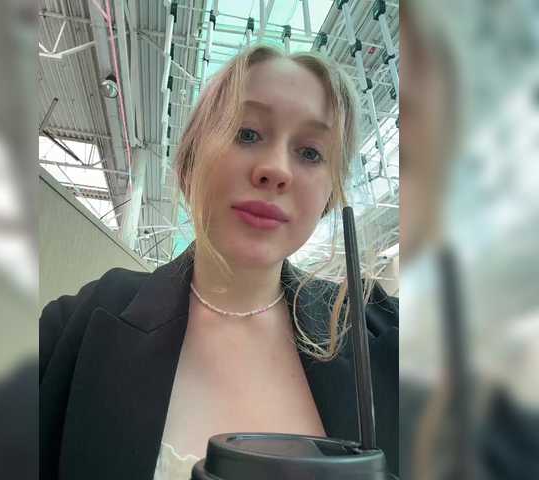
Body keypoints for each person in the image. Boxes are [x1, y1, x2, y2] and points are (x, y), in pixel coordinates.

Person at [40, 45, 398, 480]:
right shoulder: (79, 328)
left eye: (310, 152)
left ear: (329, 196)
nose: (276, 170)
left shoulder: (385, 338)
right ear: (190, 161)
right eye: (247, 133)